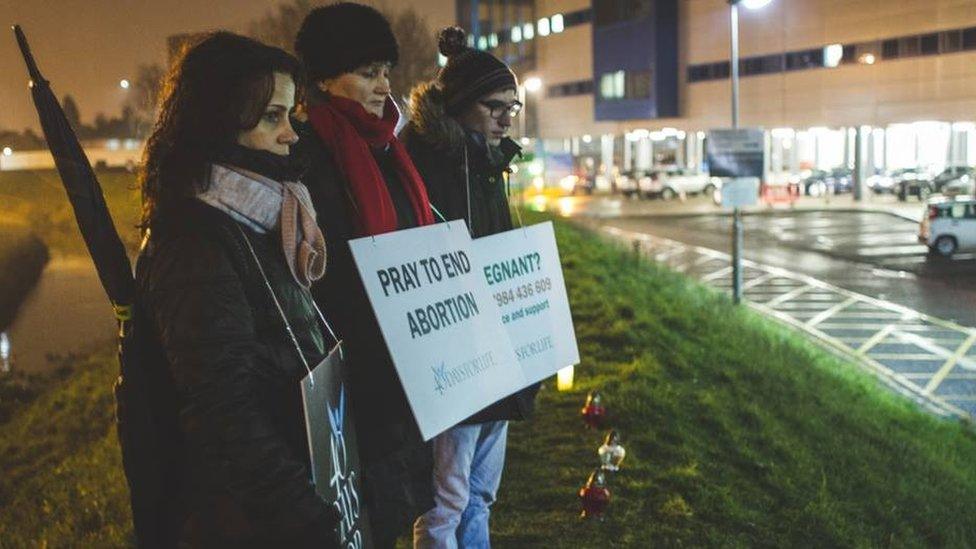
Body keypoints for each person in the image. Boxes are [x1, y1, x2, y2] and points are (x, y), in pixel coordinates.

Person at [134, 31, 337, 547]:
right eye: (272, 117)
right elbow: (222, 408)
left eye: (291, 115)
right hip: (251, 517)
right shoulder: (196, 239)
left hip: (294, 480)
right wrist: (301, 509)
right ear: (220, 120)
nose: (291, 134)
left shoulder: (266, 215)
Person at [293, 3, 437, 546]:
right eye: (368, 72)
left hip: (400, 362)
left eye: (386, 72)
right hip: (350, 372)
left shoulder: (386, 149)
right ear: (324, 77)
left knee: (391, 515)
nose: (383, 87)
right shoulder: (308, 158)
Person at [402, 27, 540, 549]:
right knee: (445, 501)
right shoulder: (424, 162)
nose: (507, 118)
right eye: (495, 106)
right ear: (459, 105)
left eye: (514, 107)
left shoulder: (487, 161)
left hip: (498, 344)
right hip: (454, 352)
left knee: (480, 493)